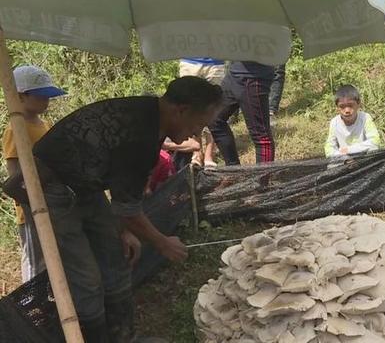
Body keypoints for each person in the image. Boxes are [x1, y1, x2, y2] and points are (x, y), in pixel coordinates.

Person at [8, 76, 223, 342]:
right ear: (182, 110)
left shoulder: (152, 115)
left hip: (88, 186)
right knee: (86, 279)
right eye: (198, 124)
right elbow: (127, 208)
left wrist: (124, 231)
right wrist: (162, 242)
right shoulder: (139, 132)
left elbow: (125, 193)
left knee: (116, 260)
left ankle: (124, 338)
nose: (195, 133)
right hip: (50, 191)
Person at [1, 65, 66, 282]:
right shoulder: (15, 129)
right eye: (40, 96)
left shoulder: (43, 124)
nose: (46, 101)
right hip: (30, 206)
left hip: (50, 199)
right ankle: (31, 298)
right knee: (34, 256)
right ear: (21, 96)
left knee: (51, 252)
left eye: (48, 96)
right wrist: (27, 199)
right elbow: (14, 173)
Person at [210, 61, 275, 165]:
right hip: (234, 73)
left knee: (261, 137)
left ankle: (261, 179)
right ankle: (234, 170)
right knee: (213, 119)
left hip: (254, 77)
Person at [179, 57, 225, 168]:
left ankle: (209, 154)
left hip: (215, 63)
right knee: (190, 109)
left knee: (213, 109)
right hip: (189, 61)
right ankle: (196, 152)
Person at [324, 84, 381, 158]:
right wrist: (345, 158)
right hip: (344, 160)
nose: (347, 110)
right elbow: (329, 149)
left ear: (358, 104)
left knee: (374, 148)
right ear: (337, 108)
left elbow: (375, 141)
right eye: (342, 106)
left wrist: (349, 150)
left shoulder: (365, 118)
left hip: (364, 159)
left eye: (350, 105)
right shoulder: (334, 123)